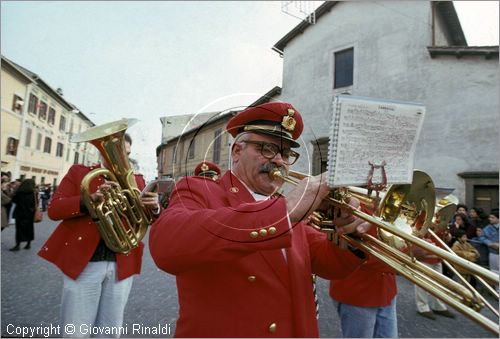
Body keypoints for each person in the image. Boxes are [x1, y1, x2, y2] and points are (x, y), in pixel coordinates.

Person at [149, 102, 373, 337]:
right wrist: (284, 211)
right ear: (237, 151)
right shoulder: (200, 189)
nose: (279, 160)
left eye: (286, 153)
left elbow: (329, 263)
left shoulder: (283, 206)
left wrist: (347, 234)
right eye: (267, 148)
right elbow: (166, 246)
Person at [38, 132, 160, 338]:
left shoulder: (137, 180)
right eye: (115, 153)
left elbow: (146, 218)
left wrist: (155, 208)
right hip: (86, 260)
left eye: (126, 154)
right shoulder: (80, 173)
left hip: (122, 261)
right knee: (75, 331)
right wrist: (89, 199)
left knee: (110, 330)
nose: (121, 160)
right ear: (102, 153)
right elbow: (54, 209)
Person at [413, 234, 455, 320]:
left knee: (439, 284)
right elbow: (417, 233)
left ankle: (438, 306)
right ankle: (422, 307)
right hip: (424, 256)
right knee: (422, 283)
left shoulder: (438, 222)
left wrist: (447, 235)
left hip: (437, 255)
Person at [9, 178, 37, 251]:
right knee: (29, 229)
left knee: (19, 230)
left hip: (20, 214)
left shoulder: (19, 192)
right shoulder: (33, 193)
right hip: (30, 214)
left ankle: (18, 245)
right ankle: (28, 244)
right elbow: (35, 204)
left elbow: (14, 201)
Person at [479, 210, 499, 275]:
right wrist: (490, 244)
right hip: (493, 252)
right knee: (494, 271)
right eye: (490, 217)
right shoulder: (487, 228)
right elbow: (482, 237)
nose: (490, 219)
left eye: (492, 217)